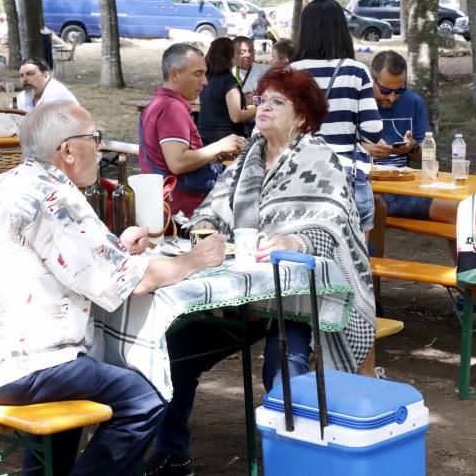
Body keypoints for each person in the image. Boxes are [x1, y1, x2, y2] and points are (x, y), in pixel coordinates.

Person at [0, 101, 227, 476]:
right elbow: (133, 282)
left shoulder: (9, 181)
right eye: (95, 138)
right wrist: (195, 260)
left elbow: (64, 259)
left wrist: (116, 249)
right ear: (68, 151)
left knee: (78, 378)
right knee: (145, 399)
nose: (101, 146)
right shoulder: (56, 197)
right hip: (15, 366)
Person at [145, 67, 376, 475]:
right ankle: (172, 451)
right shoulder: (247, 158)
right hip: (243, 293)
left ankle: (295, 462)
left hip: (300, 297)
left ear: (302, 116)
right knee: (178, 352)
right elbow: (210, 211)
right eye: (261, 100)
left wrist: (295, 242)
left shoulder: (318, 158)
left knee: (282, 367)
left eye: (276, 102)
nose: (262, 108)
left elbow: (334, 222)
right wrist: (204, 233)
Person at [289, 0, 383, 234]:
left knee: (305, 260)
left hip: (297, 179)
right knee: (354, 264)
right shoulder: (355, 71)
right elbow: (373, 133)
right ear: (341, 29)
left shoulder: (287, 74)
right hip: (346, 179)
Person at [367, 50, 455, 259]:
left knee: (460, 212)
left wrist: (412, 147)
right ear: (372, 79)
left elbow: (428, 156)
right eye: (386, 90)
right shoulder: (358, 104)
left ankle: (471, 287)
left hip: (404, 188)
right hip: (369, 189)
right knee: (373, 210)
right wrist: (366, 149)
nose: (392, 97)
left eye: (399, 90)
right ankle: (372, 287)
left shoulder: (413, 102)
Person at [140, 43, 245, 217]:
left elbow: (168, 159)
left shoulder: (158, 104)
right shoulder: (172, 108)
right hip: (182, 212)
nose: (204, 81)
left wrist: (215, 155)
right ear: (174, 74)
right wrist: (219, 146)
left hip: (164, 207)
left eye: (204, 73)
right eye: (198, 74)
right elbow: (177, 162)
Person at [197, 37, 256, 145]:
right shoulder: (228, 80)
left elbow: (217, 103)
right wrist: (258, 109)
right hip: (227, 139)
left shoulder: (206, 78)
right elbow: (236, 116)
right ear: (230, 56)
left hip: (205, 137)